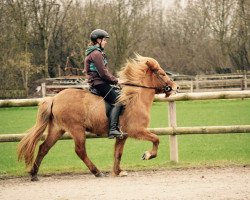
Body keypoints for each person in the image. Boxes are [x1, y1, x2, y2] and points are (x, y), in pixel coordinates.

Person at [84, 29, 125, 139]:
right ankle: (112, 129)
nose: (106, 42)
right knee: (119, 100)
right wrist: (116, 80)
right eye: (104, 40)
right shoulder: (96, 54)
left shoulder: (94, 52)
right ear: (98, 40)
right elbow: (103, 73)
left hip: (99, 82)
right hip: (99, 83)